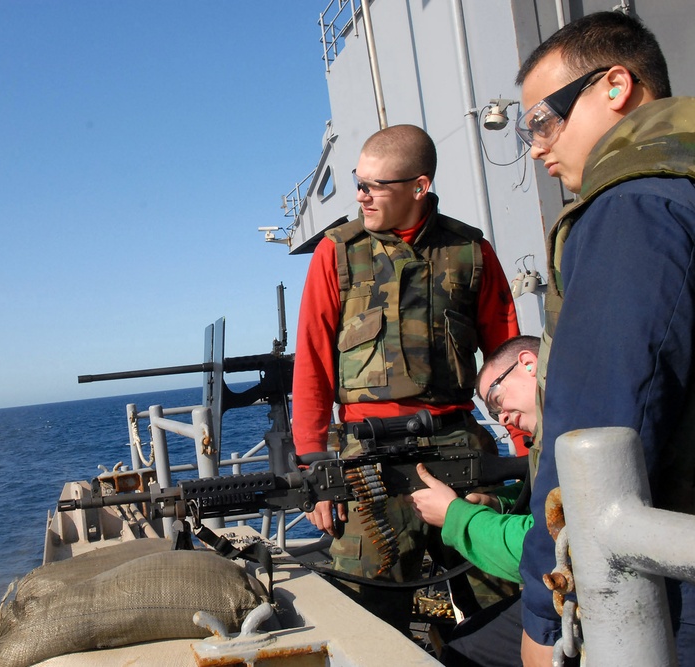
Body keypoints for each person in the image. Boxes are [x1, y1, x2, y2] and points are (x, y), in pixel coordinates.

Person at [513, 11, 695, 665]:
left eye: (542, 118)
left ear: (616, 85)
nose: (535, 145)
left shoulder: (632, 209)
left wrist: (548, 609)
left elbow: (596, 431)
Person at [291, 123, 520, 632]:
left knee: (503, 607)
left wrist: (525, 458)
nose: (360, 195)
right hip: (366, 460)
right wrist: (316, 472)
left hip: (458, 447)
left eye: (374, 186)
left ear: (419, 187)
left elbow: (510, 360)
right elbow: (312, 365)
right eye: (358, 181)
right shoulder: (338, 252)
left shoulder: (471, 252)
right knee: (368, 621)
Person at [409, 335, 540, 667]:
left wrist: (454, 515)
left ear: (529, 363)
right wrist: (498, 503)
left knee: (465, 651)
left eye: (496, 398)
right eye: (490, 410)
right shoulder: (561, 430)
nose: (501, 419)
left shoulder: (570, 433)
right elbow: (547, 502)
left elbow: (540, 549)